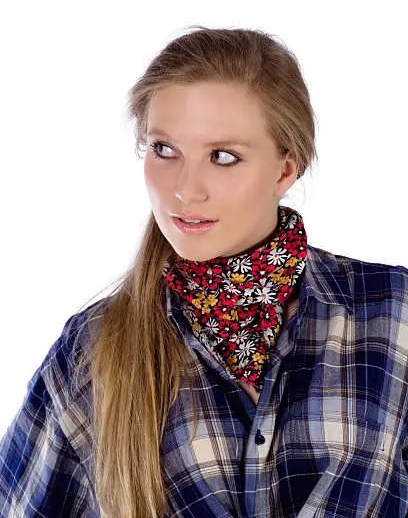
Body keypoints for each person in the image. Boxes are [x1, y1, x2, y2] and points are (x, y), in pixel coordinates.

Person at [0, 26, 407, 518]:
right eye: (164, 150)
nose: (185, 191)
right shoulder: (90, 352)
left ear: (285, 170)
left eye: (223, 157)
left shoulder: (393, 317)